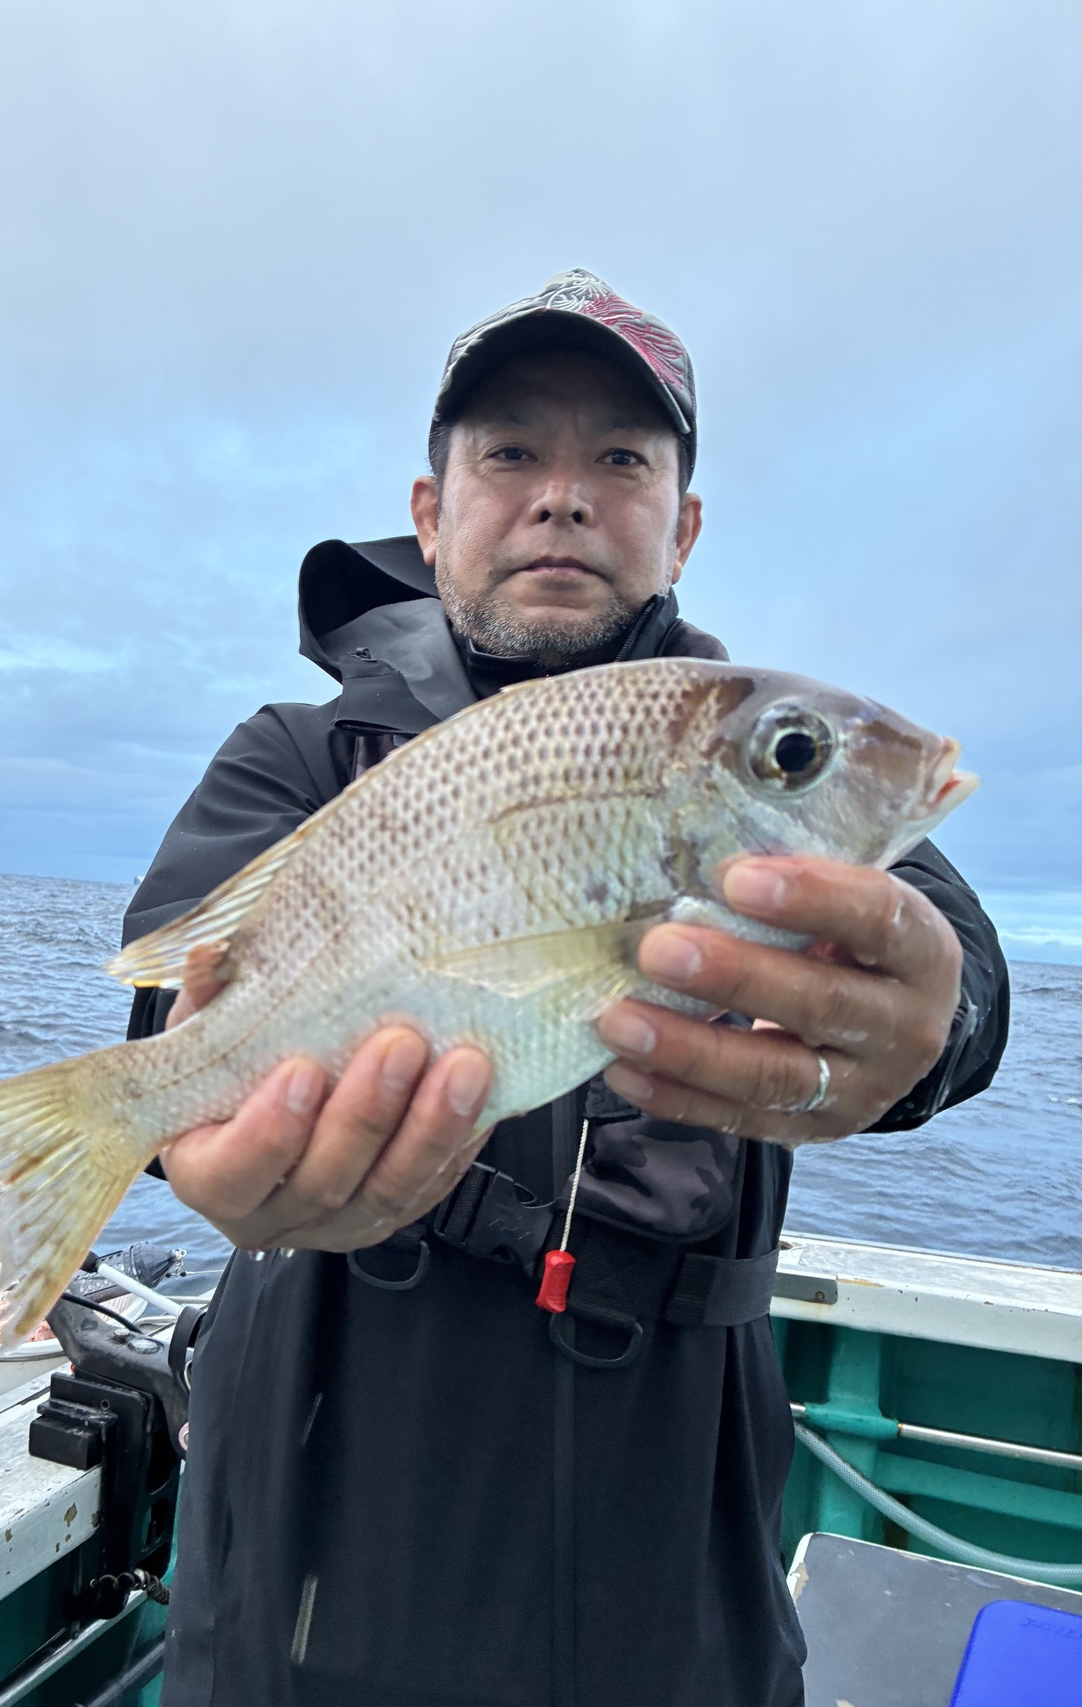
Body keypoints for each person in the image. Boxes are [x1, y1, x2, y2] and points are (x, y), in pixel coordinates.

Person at [124, 270, 1009, 1707]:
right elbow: (172, 998)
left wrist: (932, 1020)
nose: (563, 497)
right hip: (313, 1479)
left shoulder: (754, 749)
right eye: (512, 451)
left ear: (683, 525)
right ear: (432, 511)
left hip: (665, 1514)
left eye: (620, 459)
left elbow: (950, 959)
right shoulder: (299, 756)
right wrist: (182, 1131)